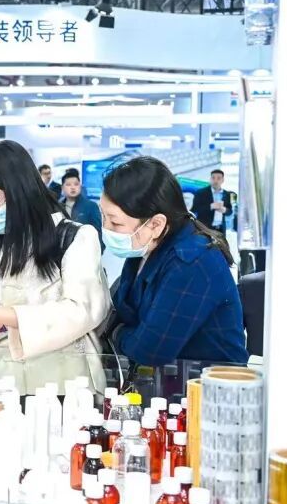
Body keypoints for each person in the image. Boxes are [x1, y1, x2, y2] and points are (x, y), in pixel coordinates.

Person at [0, 141, 110, 366]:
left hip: (67, 377)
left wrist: (3, 315)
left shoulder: (74, 238)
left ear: (21, 194)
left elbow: (84, 311)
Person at [100, 156, 248, 366]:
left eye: (115, 222)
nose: (105, 228)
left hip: (208, 380)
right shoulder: (146, 247)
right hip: (169, 378)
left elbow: (149, 350)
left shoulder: (192, 261)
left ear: (156, 224)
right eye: (103, 216)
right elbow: (126, 312)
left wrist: (116, 332)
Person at [60, 167, 104, 250]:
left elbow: (98, 232)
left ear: (80, 186)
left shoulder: (91, 206)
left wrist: (98, 250)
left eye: (76, 184)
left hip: (85, 250)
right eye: (68, 184)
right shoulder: (58, 206)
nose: (73, 187)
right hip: (62, 251)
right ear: (62, 187)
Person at [190, 169, 232, 235]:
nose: (215, 181)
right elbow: (194, 209)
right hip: (204, 229)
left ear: (223, 180)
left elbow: (230, 211)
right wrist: (210, 206)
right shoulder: (201, 193)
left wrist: (225, 210)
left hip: (220, 229)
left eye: (218, 178)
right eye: (213, 178)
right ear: (210, 179)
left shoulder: (226, 194)